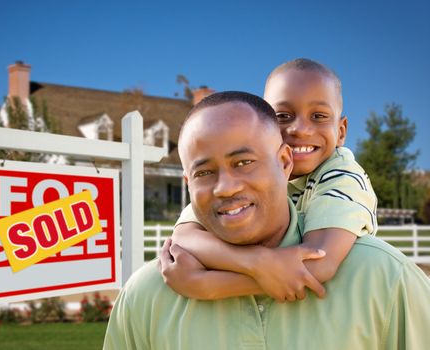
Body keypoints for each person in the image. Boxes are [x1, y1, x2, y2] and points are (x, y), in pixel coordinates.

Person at [103, 92, 430, 349]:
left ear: (285, 161)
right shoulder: (146, 295)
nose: (225, 187)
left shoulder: (385, 279)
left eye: (244, 162)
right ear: (188, 184)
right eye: (204, 172)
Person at [166, 59, 377, 301]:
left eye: (318, 116)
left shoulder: (342, 176)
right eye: (283, 116)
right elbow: (184, 236)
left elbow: (318, 263)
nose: (300, 129)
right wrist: (257, 262)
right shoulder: (253, 173)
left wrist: (206, 285)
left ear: (341, 131)